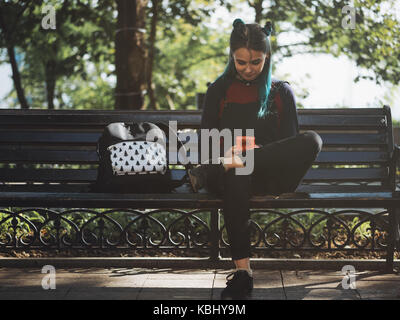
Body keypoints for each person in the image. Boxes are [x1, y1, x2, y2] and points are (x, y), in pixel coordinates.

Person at [188, 18, 323, 300]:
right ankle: (242, 273)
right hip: (231, 173)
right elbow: (207, 141)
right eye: (241, 63)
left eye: (256, 62)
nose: (248, 69)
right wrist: (230, 153)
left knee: (312, 140)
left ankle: (220, 167)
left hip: (272, 174)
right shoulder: (218, 91)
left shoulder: (281, 92)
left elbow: (290, 146)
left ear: (267, 57)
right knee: (238, 169)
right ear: (232, 58)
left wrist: (254, 151)